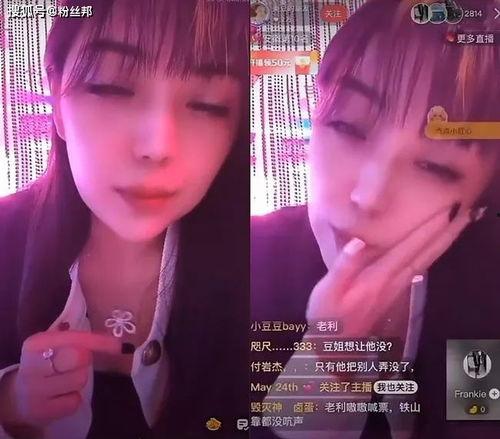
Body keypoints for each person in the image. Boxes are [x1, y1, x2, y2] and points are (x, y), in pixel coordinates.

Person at [0, 0, 249, 438]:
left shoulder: (270, 270)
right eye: (112, 87)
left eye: (208, 105)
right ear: (56, 97)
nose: (157, 146)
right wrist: (11, 405)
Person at [251, 0, 500, 437]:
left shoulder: (487, 284)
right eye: (347, 126)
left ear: (480, 202)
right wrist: (328, 358)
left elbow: (476, 413)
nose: (367, 196)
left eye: (435, 167)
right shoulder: (246, 261)